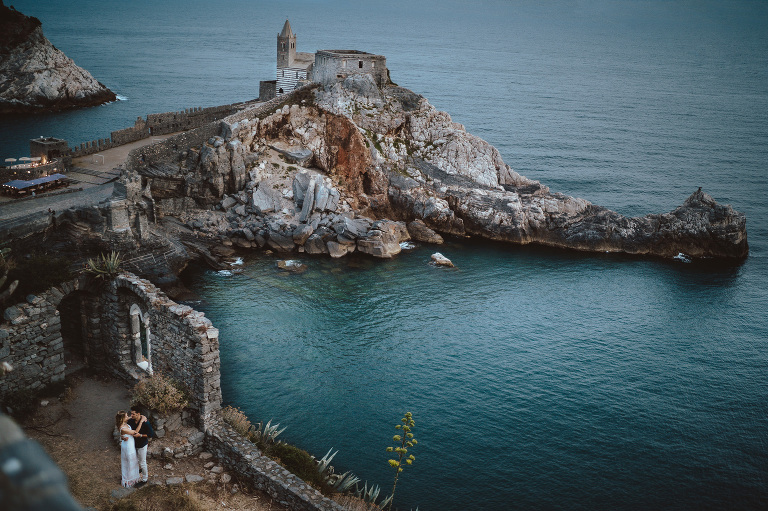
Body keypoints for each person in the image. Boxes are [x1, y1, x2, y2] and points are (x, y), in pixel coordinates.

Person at [127, 408, 155, 484]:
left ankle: (145, 479)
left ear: (138, 414)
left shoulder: (146, 423)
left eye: (133, 414)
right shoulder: (131, 421)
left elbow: (151, 435)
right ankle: (136, 472)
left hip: (142, 445)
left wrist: (141, 435)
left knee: (142, 462)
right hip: (133, 444)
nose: (131, 415)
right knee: (135, 460)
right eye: (131, 414)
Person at [115, 411, 143, 488]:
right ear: (123, 418)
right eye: (127, 416)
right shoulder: (122, 428)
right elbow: (135, 432)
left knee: (133, 461)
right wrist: (141, 422)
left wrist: (138, 416)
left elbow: (131, 417)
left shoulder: (124, 423)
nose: (129, 416)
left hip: (129, 444)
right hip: (127, 446)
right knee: (129, 461)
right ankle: (129, 479)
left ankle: (133, 475)